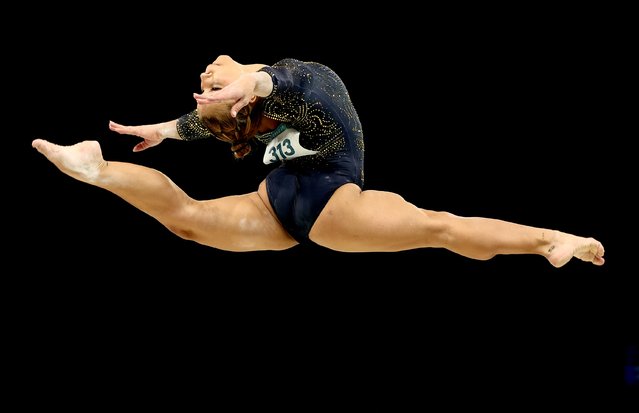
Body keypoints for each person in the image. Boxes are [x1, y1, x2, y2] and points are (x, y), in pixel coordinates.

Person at [31, 54, 605, 268]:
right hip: (276, 201)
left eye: (215, 76)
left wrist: (248, 81)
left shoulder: (303, 78)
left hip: (335, 198)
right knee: (186, 220)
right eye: (206, 81)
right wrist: (158, 129)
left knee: (439, 228)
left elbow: (285, 81)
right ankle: (95, 169)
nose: (207, 74)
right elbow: (199, 122)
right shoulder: (247, 108)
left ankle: (550, 239)